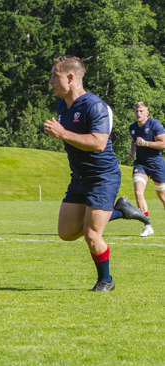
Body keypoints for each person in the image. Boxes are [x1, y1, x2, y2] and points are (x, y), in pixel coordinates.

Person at [43, 56, 148, 292]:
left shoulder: (95, 106)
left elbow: (99, 143)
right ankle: (119, 210)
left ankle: (106, 281)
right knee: (66, 232)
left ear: (70, 78)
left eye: (54, 75)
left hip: (103, 176)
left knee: (91, 234)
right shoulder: (63, 106)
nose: (50, 81)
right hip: (79, 177)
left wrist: (62, 134)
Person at [128, 101, 165, 237]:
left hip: (156, 164)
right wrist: (132, 152)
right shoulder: (132, 127)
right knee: (138, 193)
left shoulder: (155, 124)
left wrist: (145, 143)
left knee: (162, 196)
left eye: (141, 111)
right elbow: (134, 141)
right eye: (137, 111)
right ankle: (147, 225)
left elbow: (163, 143)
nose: (138, 113)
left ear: (147, 112)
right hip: (141, 164)